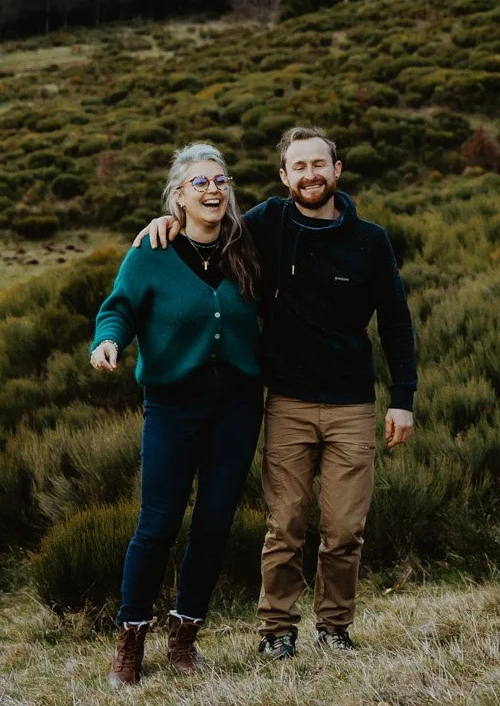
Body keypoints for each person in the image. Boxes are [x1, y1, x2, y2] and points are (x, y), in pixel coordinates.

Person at [135, 124, 417, 661]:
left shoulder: (370, 240)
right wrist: (168, 220)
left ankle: (334, 627)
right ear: (284, 176)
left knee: (343, 530)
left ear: (337, 171)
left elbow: (397, 323)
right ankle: (276, 631)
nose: (310, 175)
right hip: (285, 403)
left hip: (353, 406)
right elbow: (208, 228)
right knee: (284, 524)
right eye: (299, 167)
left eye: (319, 165)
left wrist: (402, 397)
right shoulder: (265, 222)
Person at [91, 142, 264, 687]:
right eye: (200, 183)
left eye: (221, 180)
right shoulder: (152, 251)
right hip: (173, 407)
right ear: (178, 198)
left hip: (237, 407)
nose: (213, 189)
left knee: (213, 525)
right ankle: (130, 639)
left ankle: (184, 638)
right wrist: (108, 341)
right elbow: (118, 307)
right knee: (158, 525)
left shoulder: (247, 245)